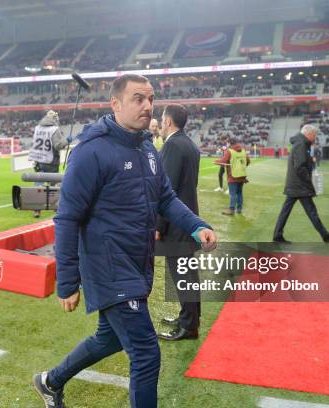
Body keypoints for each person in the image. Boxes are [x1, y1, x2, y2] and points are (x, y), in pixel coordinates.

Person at [33, 74, 217, 408]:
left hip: (136, 264)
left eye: (150, 99)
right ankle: (50, 381)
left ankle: (50, 381)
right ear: (115, 104)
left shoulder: (147, 147)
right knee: (146, 353)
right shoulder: (91, 151)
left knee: (110, 339)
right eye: (138, 98)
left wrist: (195, 226)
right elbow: (67, 218)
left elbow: (166, 198)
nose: (147, 106)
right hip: (109, 268)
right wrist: (67, 280)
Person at [155, 104, 202, 341]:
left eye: (162, 119)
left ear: (169, 122)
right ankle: (190, 317)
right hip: (187, 217)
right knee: (188, 272)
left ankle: (188, 326)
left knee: (182, 275)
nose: (161, 123)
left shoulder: (172, 145)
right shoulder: (189, 143)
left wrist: (158, 225)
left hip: (176, 223)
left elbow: (166, 191)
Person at [272, 125, 329, 244]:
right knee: (310, 211)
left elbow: (301, 163)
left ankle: (277, 235)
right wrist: (308, 181)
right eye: (314, 135)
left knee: (288, 211)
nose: (314, 138)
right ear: (308, 134)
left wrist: (309, 161)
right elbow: (300, 166)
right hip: (299, 185)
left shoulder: (300, 144)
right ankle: (325, 235)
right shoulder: (301, 145)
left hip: (295, 184)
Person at [27, 110, 67, 218]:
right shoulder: (54, 129)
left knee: (38, 185)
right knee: (54, 185)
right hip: (51, 161)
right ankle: (56, 208)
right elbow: (58, 146)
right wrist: (67, 141)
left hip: (39, 160)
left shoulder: (37, 128)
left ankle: (36, 210)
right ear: (54, 119)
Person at [219, 137, 250, 216]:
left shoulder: (229, 151)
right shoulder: (243, 150)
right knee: (239, 192)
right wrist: (241, 167)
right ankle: (239, 209)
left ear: (229, 143)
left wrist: (216, 161)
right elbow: (248, 161)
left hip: (233, 176)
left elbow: (223, 161)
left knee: (233, 193)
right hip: (242, 175)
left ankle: (231, 209)